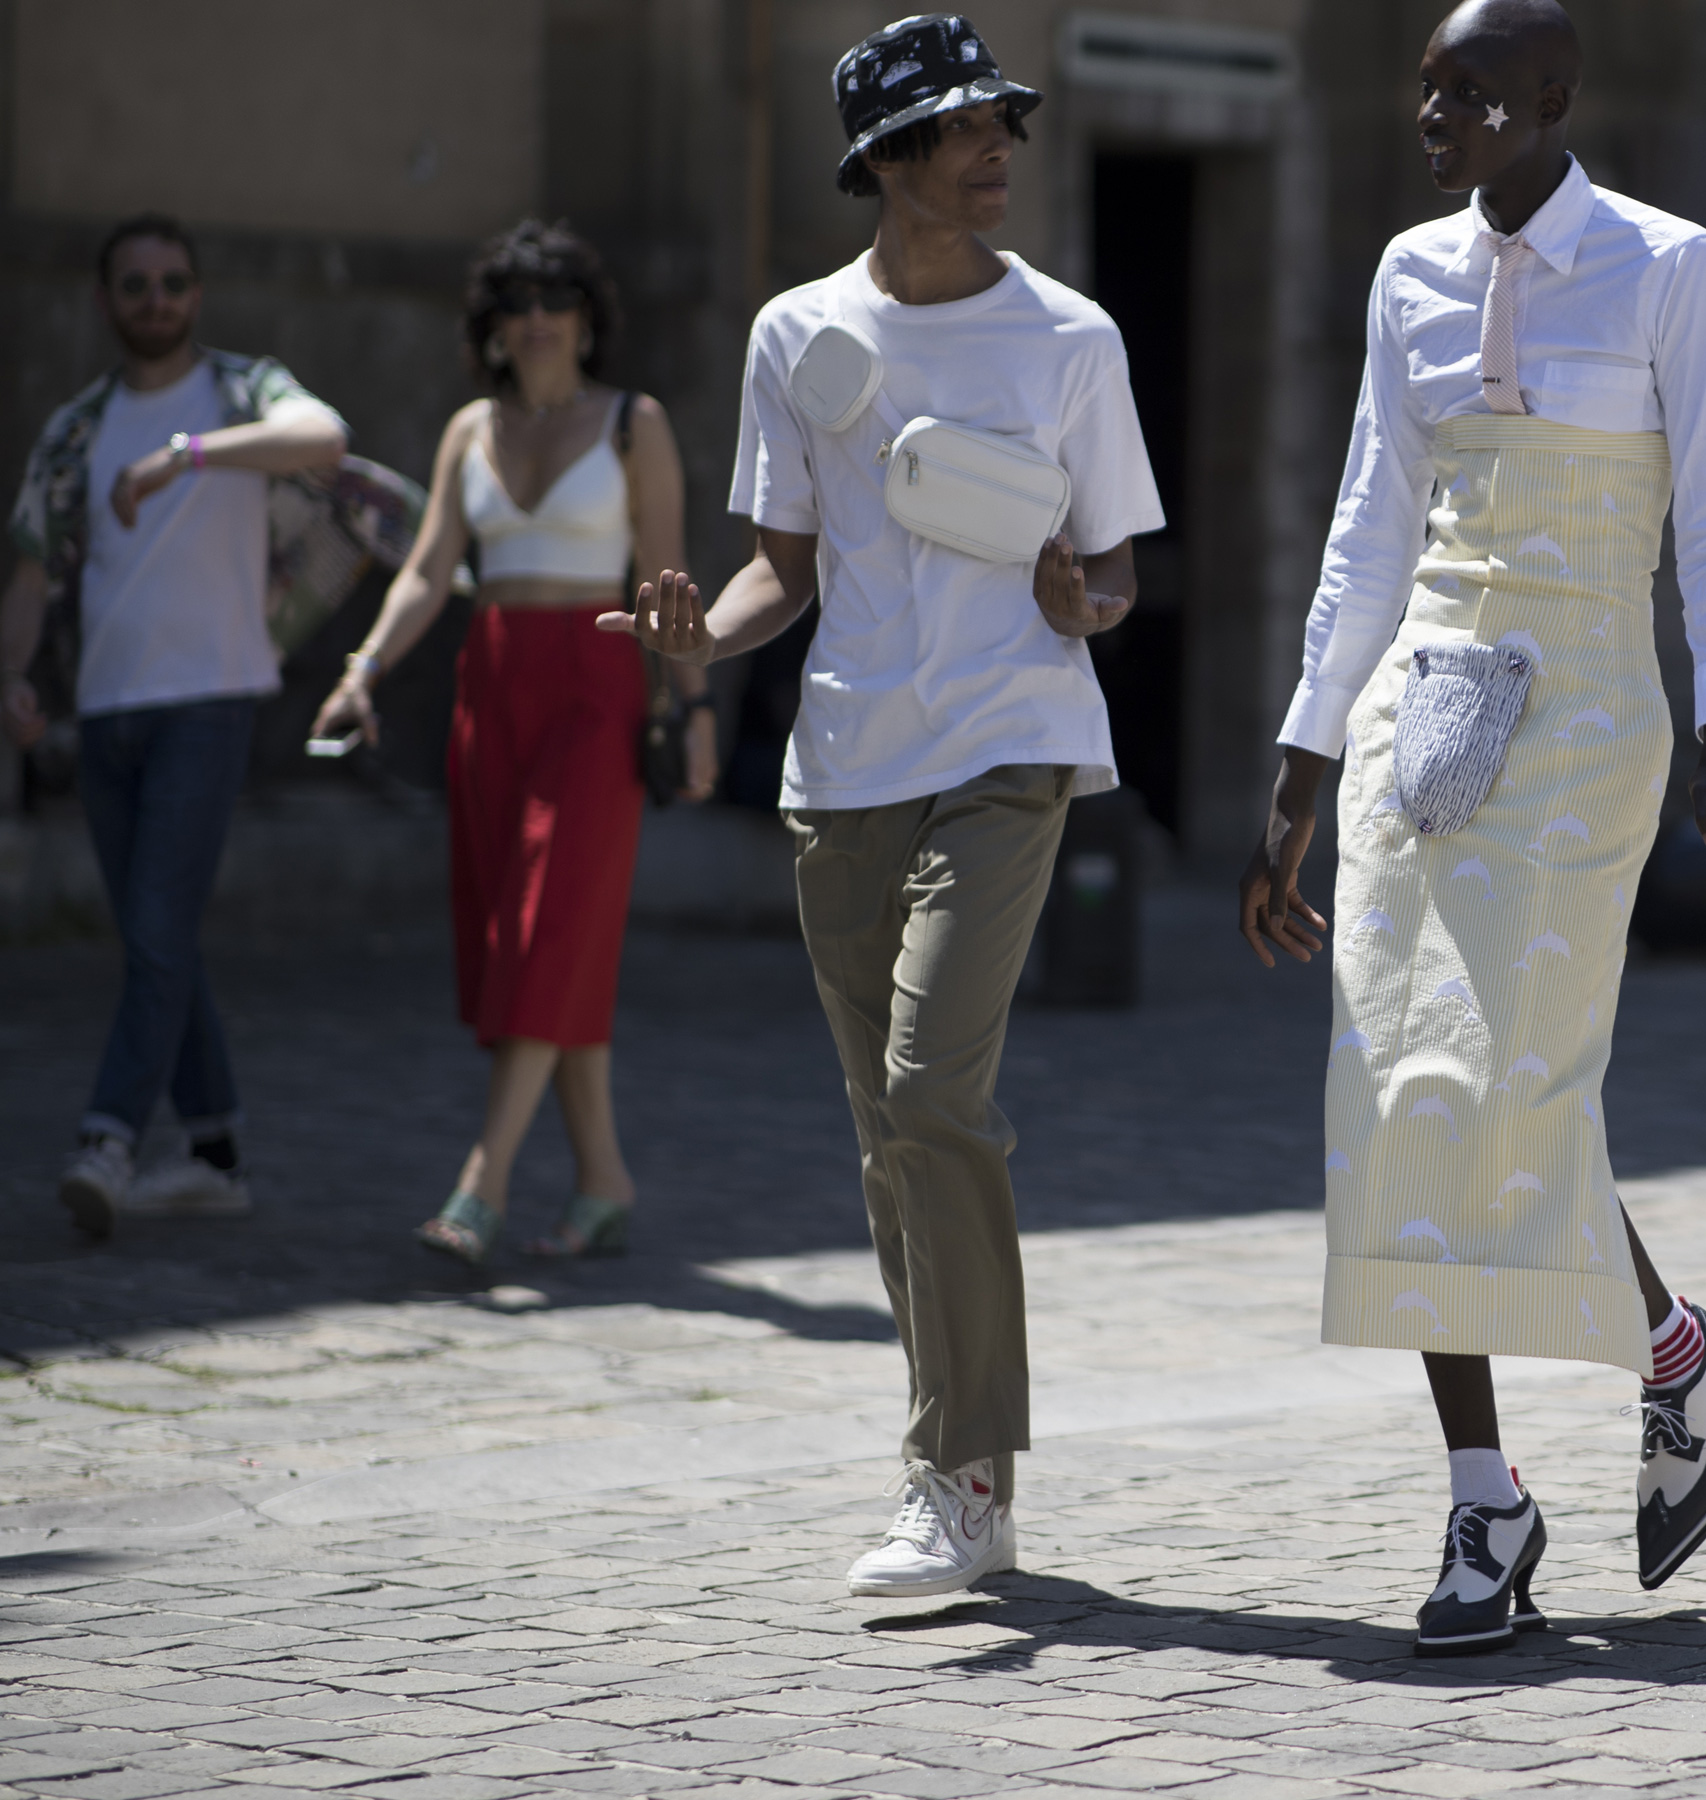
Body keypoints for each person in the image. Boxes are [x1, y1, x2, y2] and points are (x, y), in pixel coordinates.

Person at [1237, 0, 1706, 1655]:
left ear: (1555, 99)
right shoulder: (1408, 273)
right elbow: (1368, 523)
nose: (1438, 116)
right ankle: (1488, 1501)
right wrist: (1303, 758)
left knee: (1512, 1082)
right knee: (1405, 1090)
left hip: (1594, 710)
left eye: (1472, 92)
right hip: (1425, 705)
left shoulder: (1669, 264)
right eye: (1426, 91)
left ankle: (1669, 1353)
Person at [613, 16, 1161, 1599]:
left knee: (933, 1095)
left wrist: (1089, 601)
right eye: (961, 130)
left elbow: (1117, 564)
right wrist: (694, 645)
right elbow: (786, 564)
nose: (996, 152)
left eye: (1002, 125)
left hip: (1012, 750)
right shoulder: (796, 336)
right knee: (888, 1142)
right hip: (845, 773)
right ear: (885, 162)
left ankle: (967, 1472)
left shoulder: (1072, 340)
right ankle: (950, 1471)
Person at [309, 220, 716, 1266]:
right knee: (527, 933)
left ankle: (479, 1182)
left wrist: (697, 709)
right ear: (491, 329)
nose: (536, 323)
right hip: (489, 687)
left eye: (555, 303)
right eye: (516, 307)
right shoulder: (466, 430)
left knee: (546, 926)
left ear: (588, 320)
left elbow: (668, 585)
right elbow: (426, 567)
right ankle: (604, 1182)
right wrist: (361, 673)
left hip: (596, 687)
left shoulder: (637, 424)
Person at [2, 214, 349, 1237]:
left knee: (155, 932)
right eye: (136, 284)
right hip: (107, 711)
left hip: (210, 700)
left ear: (196, 295)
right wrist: (13, 679)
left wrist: (185, 456)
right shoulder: (75, 428)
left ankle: (107, 1139)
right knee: (161, 938)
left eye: (173, 283)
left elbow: (324, 438)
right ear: (107, 301)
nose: (156, 299)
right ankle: (213, 1151)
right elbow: (29, 570)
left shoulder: (242, 393)